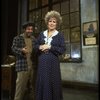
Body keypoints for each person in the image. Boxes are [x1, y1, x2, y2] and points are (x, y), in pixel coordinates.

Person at [34, 10, 66, 100]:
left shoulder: (59, 35)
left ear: (57, 24)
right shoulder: (41, 34)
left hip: (53, 65)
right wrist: (40, 47)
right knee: (43, 82)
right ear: (47, 22)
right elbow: (35, 46)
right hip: (42, 65)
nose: (51, 23)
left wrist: (50, 47)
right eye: (50, 21)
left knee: (52, 83)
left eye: (54, 22)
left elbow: (62, 49)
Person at [11, 21, 37, 100]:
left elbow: (36, 50)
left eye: (31, 29)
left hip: (33, 67)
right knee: (20, 88)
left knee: (34, 88)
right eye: (28, 29)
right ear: (24, 30)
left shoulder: (33, 39)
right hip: (23, 67)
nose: (30, 31)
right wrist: (21, 50)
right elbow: (13, 48)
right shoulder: (18, 38)